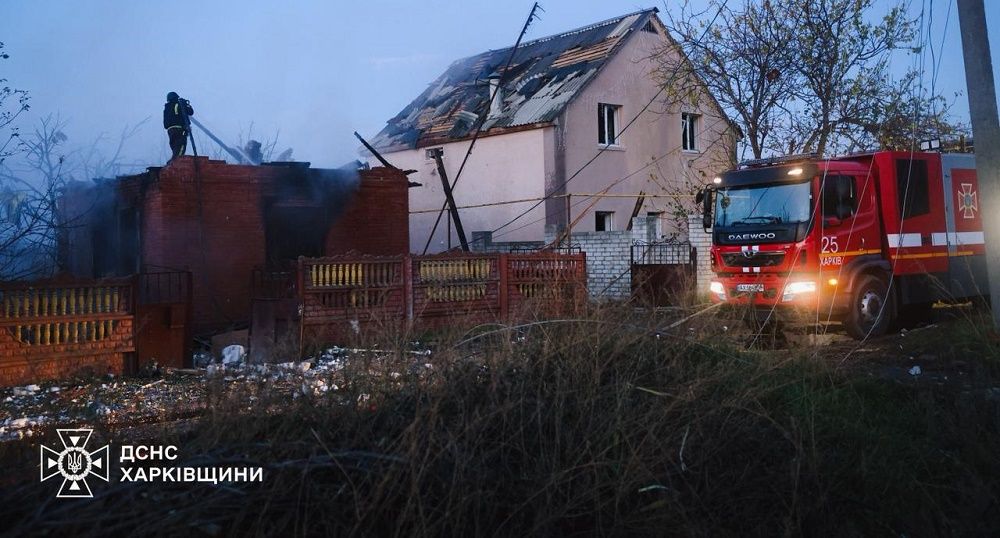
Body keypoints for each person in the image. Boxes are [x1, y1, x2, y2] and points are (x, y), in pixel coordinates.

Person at [163, 92, 194, 160]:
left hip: (170, 131)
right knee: (181, 148)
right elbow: (190, 112)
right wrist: (186, 104)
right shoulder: (179, 104)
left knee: (175, 149)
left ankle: (173, 163)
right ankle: (175, 164)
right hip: (179, 130)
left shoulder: (167, 108)